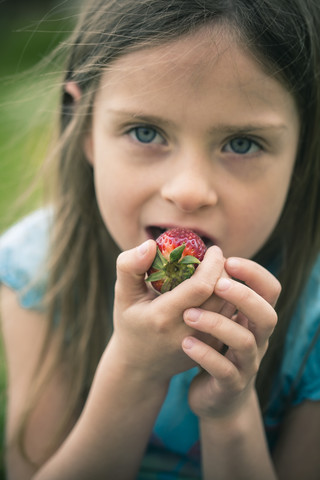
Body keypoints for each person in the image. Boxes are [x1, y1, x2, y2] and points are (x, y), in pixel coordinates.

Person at [1, 0, 320, 478]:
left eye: (241, 143)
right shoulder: (38, 270)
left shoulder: (313, 314)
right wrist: (135, 371)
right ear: (85, 126)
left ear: (302, 150)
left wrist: (229, 414)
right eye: (145, 131)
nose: (188, 191)